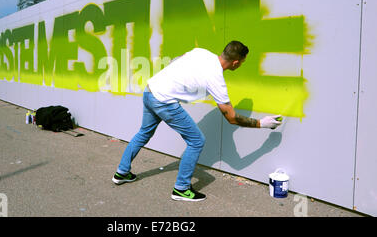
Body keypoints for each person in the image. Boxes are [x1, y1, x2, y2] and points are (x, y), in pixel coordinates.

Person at [112, 41, 282, 201]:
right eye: (242, 62)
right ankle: (181, 188)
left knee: (144, 132)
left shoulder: (201, 52)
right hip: (164, 100)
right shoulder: (216, 79)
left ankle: (122, 172)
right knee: (196, 141)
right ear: (236, 62)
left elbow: (176, 59)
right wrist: (262, 123)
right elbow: (231, 118)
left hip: (150, 90)